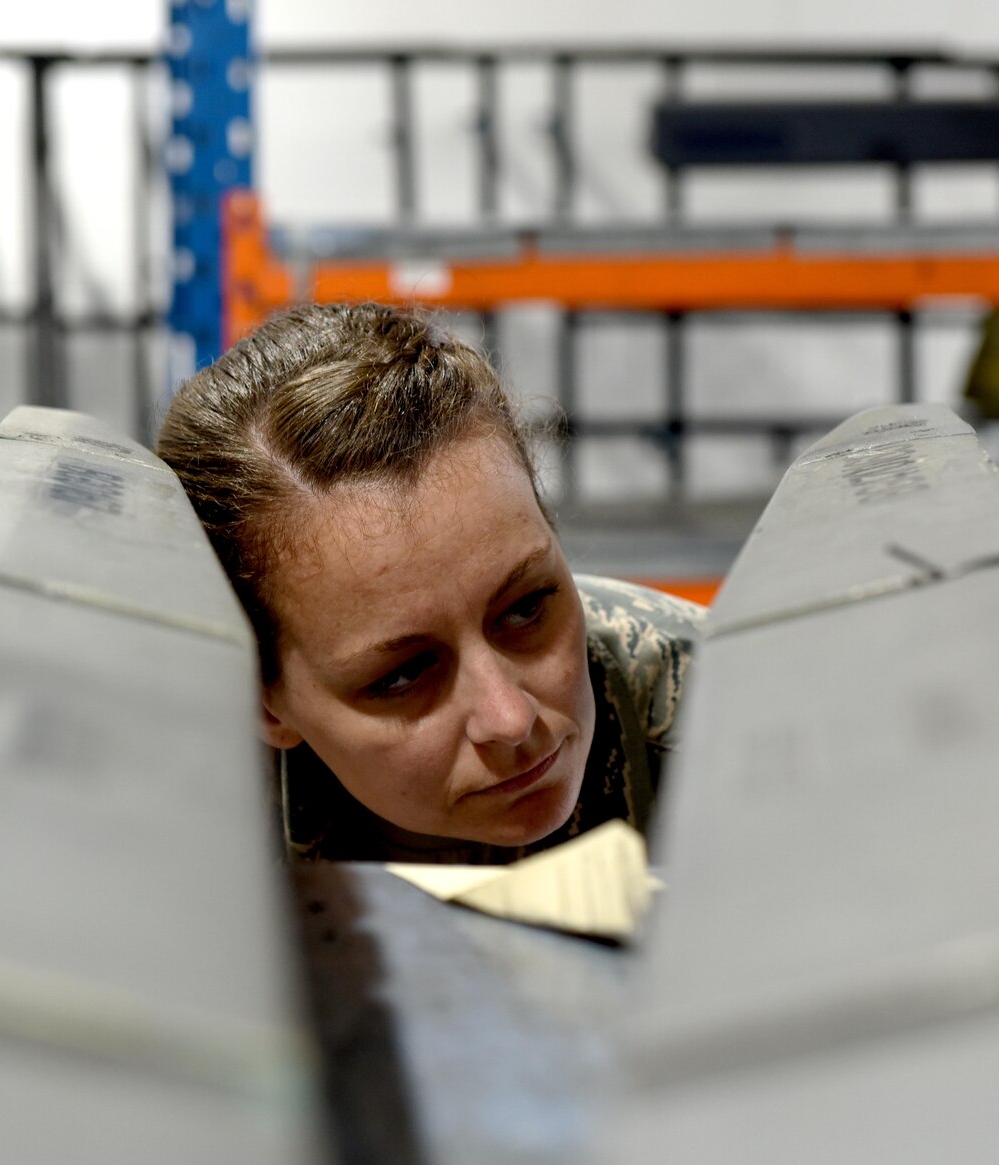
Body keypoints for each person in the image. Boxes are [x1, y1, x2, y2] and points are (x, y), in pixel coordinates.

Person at [156, 302, 702, 865]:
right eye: (405, 675)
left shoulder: (728, 731)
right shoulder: (178, 839)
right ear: (264, 701)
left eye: (527, 608)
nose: (510, 720)